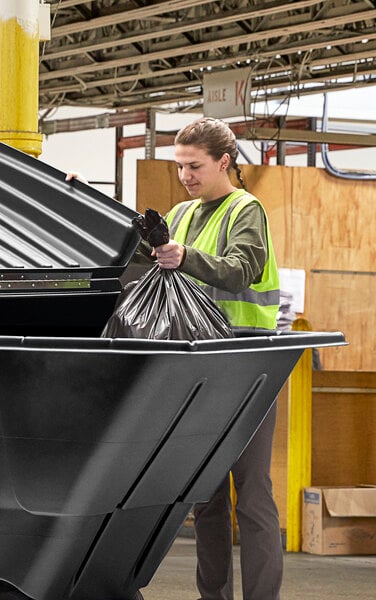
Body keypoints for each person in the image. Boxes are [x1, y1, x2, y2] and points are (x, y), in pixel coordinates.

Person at [154, 117, 282, 600]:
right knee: (205, 498)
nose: (185, 175)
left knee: (250, 495)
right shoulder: (182, 214)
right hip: (200, 363)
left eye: (194, 166)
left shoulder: (246, 210)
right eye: (180, 166)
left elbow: (240, 270)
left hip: (247, 363)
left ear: (224, 162)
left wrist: (183, 256)